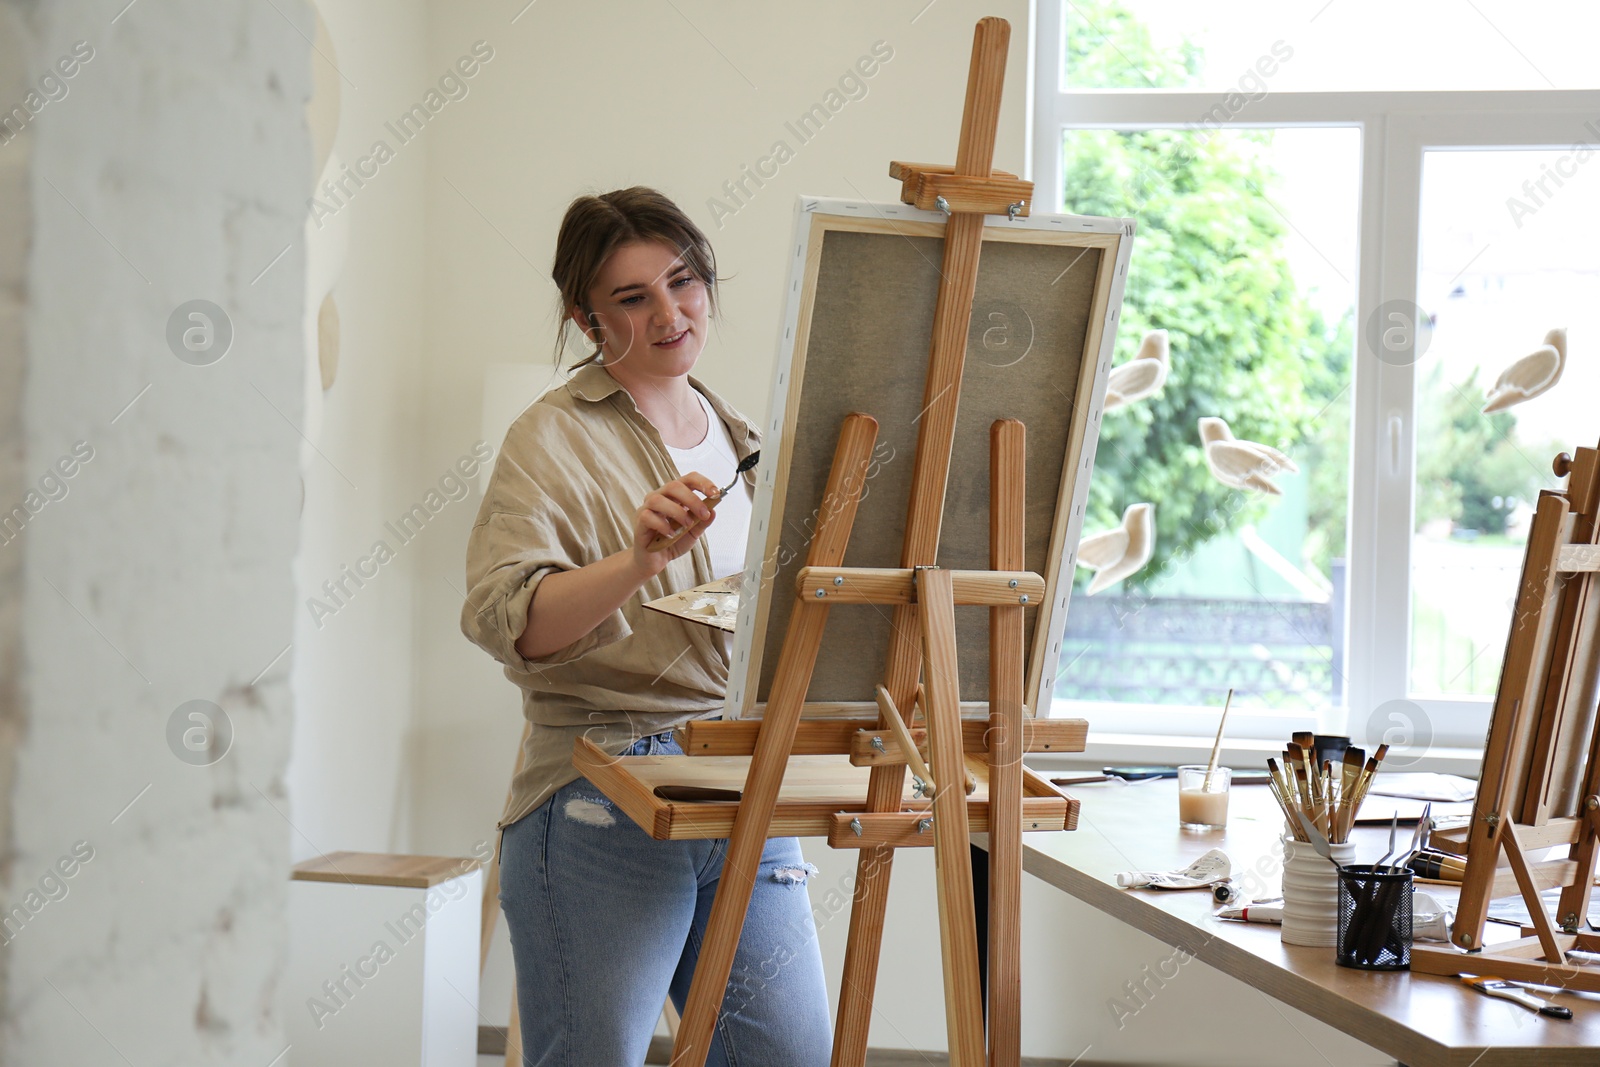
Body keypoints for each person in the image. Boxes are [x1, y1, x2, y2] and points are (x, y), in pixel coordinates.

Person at [460, 186, 832, 1066]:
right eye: (633, 297)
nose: (670, 313)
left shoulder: (745, 434)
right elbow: (506, 621)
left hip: (745, 779)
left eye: (683, 281)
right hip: (601, 789)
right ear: (585, 317)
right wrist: (636, 561)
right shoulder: (548, 437)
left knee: (788, 1054)